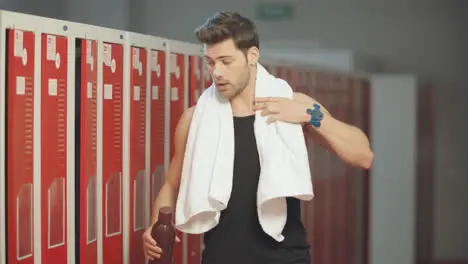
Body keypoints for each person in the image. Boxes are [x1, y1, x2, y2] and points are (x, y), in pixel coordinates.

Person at [142, 11, 373, 264]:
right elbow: (171, 185)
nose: (216, 71)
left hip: (287, 258)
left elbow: (362, 156)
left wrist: (309, 115)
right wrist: (154, 226)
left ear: (252, 55)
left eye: (226, 61)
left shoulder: (290, 104)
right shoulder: (195, 119)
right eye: (210, 62)